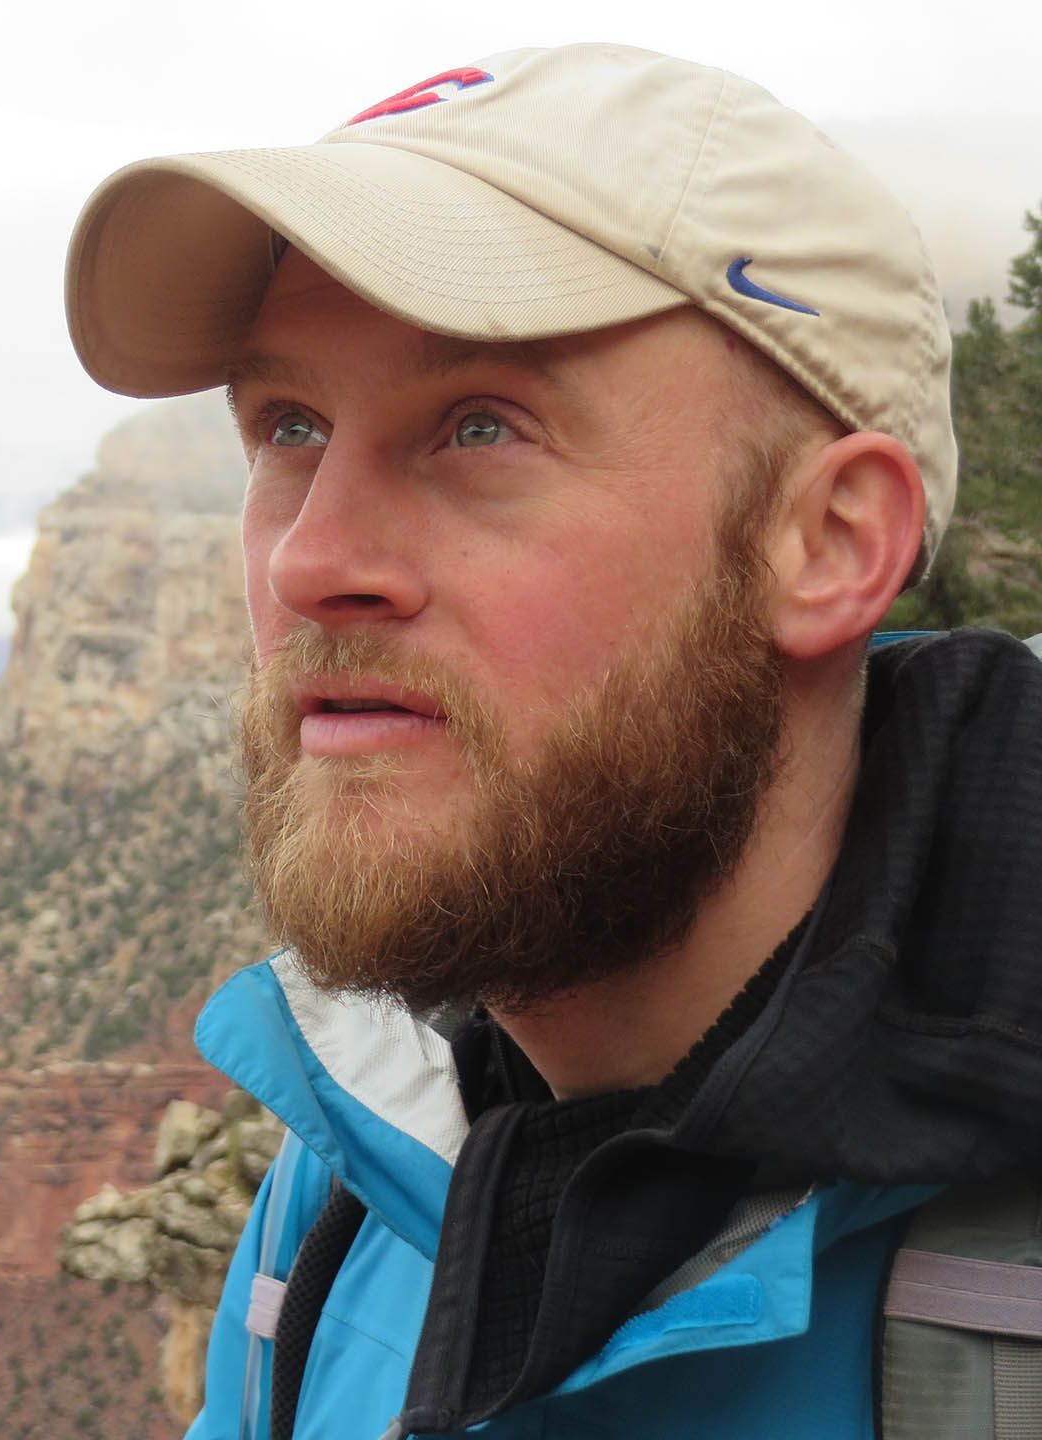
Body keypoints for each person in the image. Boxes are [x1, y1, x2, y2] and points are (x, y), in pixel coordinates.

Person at [64, 42, 1042, 1439]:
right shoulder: (342, 1196)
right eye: (289, 424)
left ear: (828, 544)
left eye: (478, 426)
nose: (310, 559)